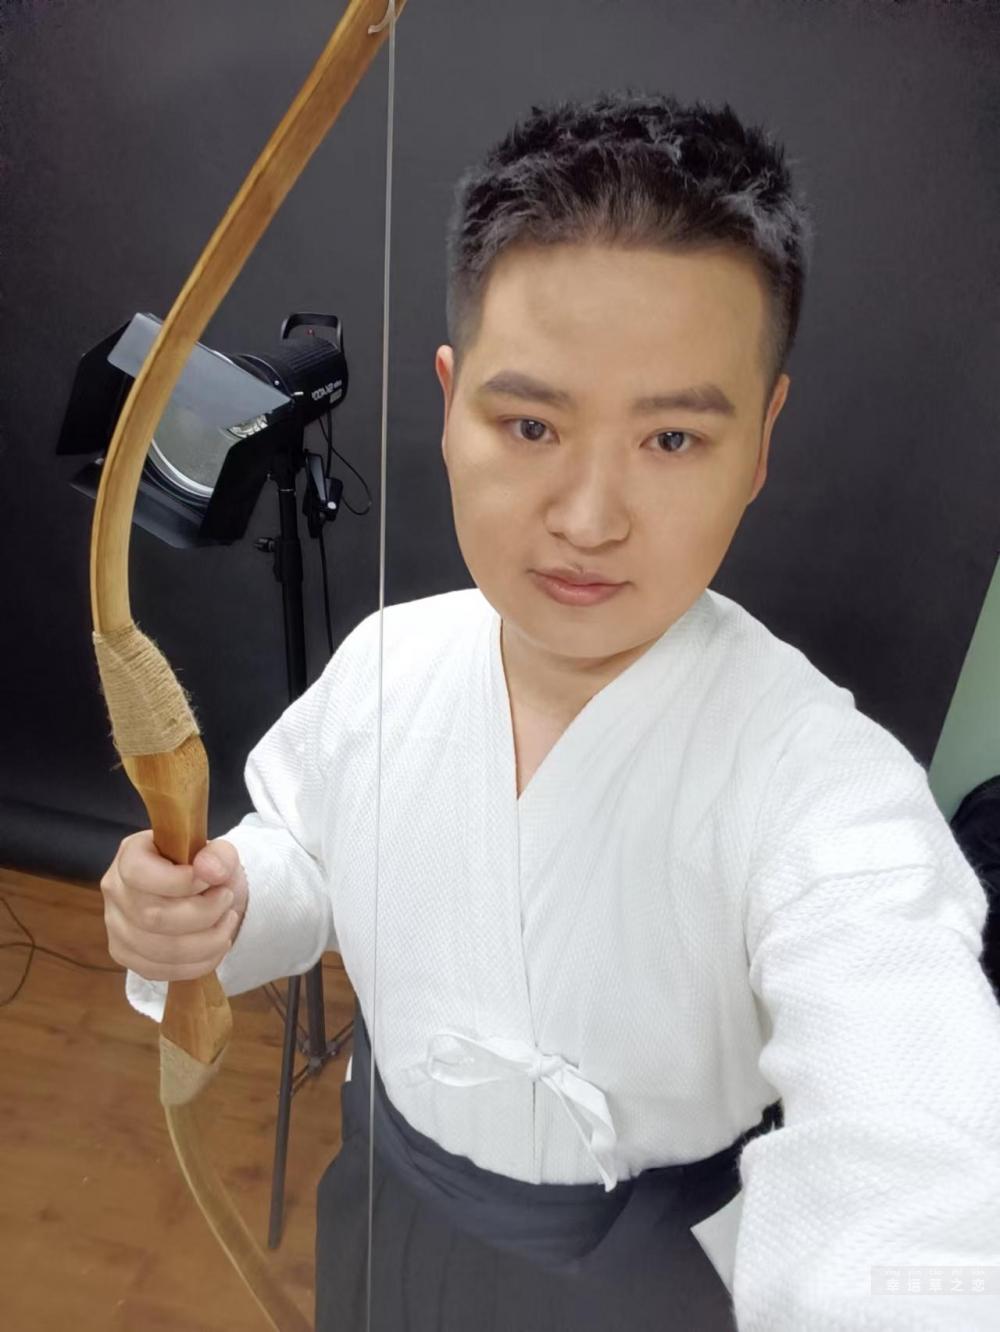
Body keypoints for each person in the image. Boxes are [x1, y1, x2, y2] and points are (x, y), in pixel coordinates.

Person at [100, 92, 1000, 1330]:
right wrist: (224, 900)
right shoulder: (390, 661)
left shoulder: (823, 785)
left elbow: (914, 1146)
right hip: (394, 1206)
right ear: (450, 403)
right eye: (529, 423)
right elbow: (310, 846)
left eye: (671, 439)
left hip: (652, 1276)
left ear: (761, 439)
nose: (587, 518)